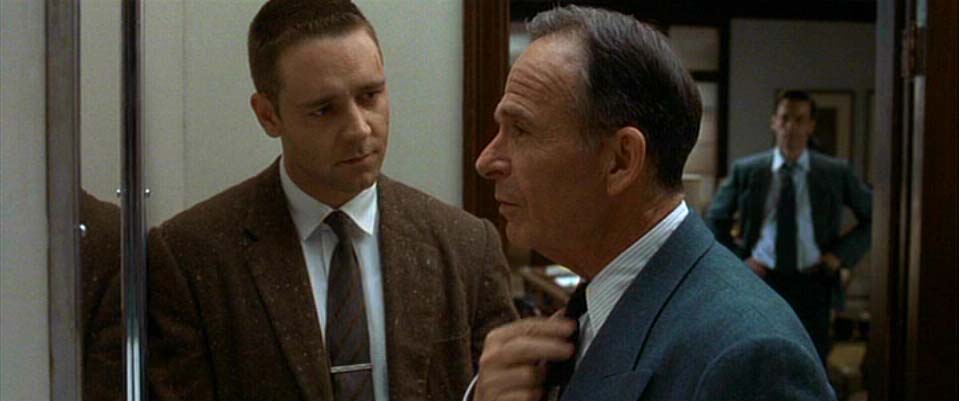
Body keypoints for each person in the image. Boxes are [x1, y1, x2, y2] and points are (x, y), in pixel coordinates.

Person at [145, 1, 517, 400]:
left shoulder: (466, 246)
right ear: (268, 115)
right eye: (324, 110)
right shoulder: (192, 257)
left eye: (370, 95)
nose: (359, 129)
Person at [470, 6, 835, 401]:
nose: (486, 161)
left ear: (620, 161)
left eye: (521, 130)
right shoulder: (598, 300)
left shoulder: (748, 358)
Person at [706, 89, 872, 365]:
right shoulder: (748, 170)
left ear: (810, 126)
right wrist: (740, 261)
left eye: (799, 119)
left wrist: (840, 256)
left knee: (811, 361)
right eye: (784, 119)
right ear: (774, 122)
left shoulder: (834, 172)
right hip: (761, 279)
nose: (790, 127)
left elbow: (873, 216)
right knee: (758, 360)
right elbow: (715, 219)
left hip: (813, 283)